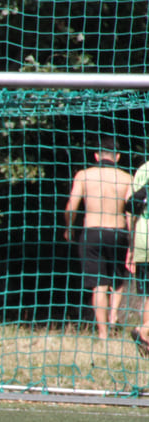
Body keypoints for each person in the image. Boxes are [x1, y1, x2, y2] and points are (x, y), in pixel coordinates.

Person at [63, 137, 132, 340]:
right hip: (118, 232)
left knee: (99, 285)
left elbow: (71, 207)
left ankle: (103, 335)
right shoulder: (126, 178)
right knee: (118, 279)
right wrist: (132, 239)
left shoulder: (84, 176)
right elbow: (130, 212)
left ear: (96, 155)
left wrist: (68, 228)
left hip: (91, 232)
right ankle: (113, 317)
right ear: (117, 157)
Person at [127, 158, 149, 356]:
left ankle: (146, 335)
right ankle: (144, 330)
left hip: (143, 238)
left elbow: (130, 209)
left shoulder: (143, 169)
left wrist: (131, 245)